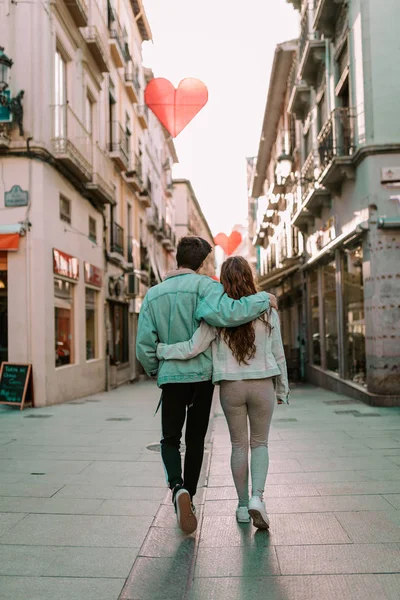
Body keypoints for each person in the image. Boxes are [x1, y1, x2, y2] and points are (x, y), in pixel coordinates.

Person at [136, 238, 277, 535]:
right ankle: (191, 493)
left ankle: (177, 490)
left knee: (170, 439)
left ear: (178, 258)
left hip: (172, 377)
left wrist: (154, 368)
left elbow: (144, 344)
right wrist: (264, 299)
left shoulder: (152, 295)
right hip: (201, 378)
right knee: (196, 439)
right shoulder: (207, 288)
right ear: (202, 263)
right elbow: (233, 313)